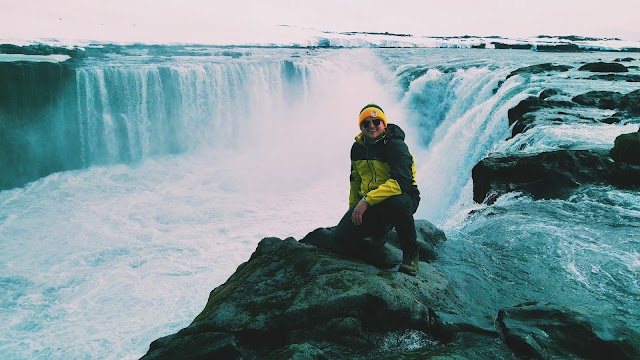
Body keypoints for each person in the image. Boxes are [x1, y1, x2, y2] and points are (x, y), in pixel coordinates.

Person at [334, 103, 421, 276]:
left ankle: (411, 254)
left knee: (398, 202)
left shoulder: (396, 146)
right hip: (371, 201)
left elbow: (401, 183)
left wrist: (365, 202)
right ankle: (380, 230)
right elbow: (355, 180)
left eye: (376, 121)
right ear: (361, 127)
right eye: (366, 123)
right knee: (340, 238)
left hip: (401, 197)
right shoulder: (357, 148)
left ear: (384, 124)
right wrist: (354, 208)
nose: (372, 126)